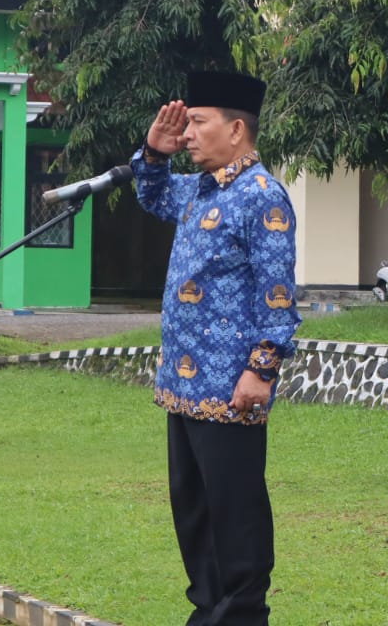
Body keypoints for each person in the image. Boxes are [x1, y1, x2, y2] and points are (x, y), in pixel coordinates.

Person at [132, 70, 301, 626]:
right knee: (195, 515)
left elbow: (277, 295)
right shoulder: (197, 190)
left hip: (231, 390)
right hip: (182, 388)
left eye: (198, 124)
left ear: (236, 129)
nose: (188, 134)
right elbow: (151, 192)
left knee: (236, 517)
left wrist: (262, 369)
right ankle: (208, 613)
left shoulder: (262, 198)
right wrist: (154, 154)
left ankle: (242, 616)